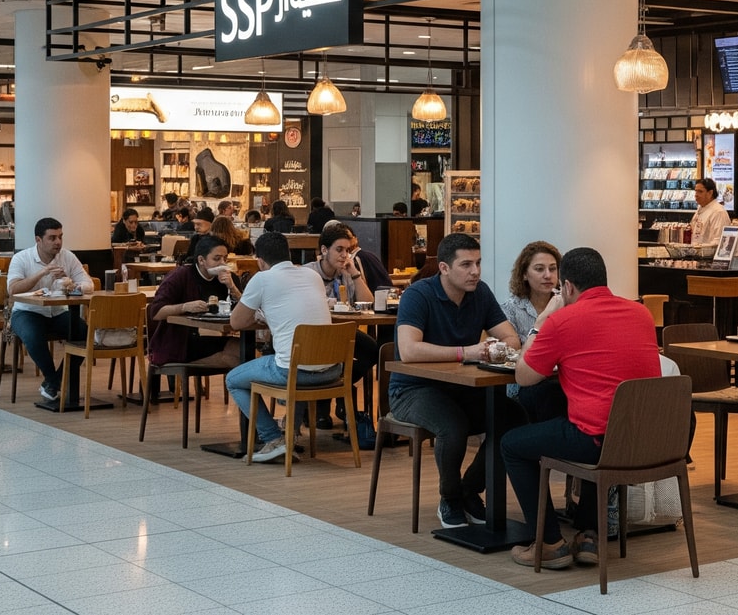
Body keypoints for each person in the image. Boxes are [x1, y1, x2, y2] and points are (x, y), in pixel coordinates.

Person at [503, 246, 662, 569]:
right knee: (585, 416)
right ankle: (589, 535)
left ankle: (549, 543)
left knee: (513, 445)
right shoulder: (641, 313)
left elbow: (524, 376)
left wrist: (544, 319)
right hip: (646, 440)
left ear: (569, 287)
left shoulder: (564, 319)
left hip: (598, 441)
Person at [390, 233, 524, 529]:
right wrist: (467, 352)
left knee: (514, 418)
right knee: (454, 427)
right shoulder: (418, 295)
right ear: (444, 268)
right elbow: (409, 350)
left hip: (461, 387)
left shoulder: (481, 293)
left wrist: (495, 348)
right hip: (412, 389)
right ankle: (449, 498)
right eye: (466, 264)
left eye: (477, 263)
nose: (475, 271)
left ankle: (469, 489)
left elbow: (511, 337)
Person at [224, 232, 337, 464]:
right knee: (301, 361)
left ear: (260, 261)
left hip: (294, 371)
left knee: (233, 379)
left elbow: (236, 322)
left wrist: (265, 317)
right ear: (288, 253)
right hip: (332, 370)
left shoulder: (262, 279)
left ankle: (273, 438)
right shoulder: (312, 275)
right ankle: (290, 436)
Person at [8, 217, 96, 403]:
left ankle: (55, 382)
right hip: (26, 311)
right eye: (52, 238)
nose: (58, 242)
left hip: (57, 311)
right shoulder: (21, 258)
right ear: (38, 240)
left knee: (85, 334)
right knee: (33, 335)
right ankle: (53, 379)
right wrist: (43, 272)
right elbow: (13, 289)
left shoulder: (67, 257)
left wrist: (74, 285)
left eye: (60, 237)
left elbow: (89, 284)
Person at [303, 222, 379, 432]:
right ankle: (324, 400)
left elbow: (367, 302)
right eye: (339, 250)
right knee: (331, 355)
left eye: (348, 250)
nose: (345, 255)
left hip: (343, 331)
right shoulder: (308, 274)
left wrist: (354, 272)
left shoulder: (346, 273)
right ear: (324, 250)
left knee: (373, 350)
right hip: (315, 335)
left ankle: (336, 389)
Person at [144, 234, 243, 369]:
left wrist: (232, 288)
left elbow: (244, 310)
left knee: (245, 350)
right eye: (217, 259)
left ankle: (241, 386)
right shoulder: (181, 275)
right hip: (180, 341)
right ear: (201, 260)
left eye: (225, 258)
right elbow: (156, 312)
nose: (222, 263)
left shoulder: (227, 278)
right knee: (237, 358)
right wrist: (184, 307)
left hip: (210, 336)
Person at [501, 240, 567, 422]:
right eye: (539, 269)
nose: (548, 275)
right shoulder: (510, 309)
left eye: (553, 269)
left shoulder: (567, 305)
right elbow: (509, 356)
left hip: (561, 379)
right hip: (522, 384)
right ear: (524, 274)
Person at [688, 177, 730, 245]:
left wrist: (700, 248)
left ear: (710, 193)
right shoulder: (701, 208)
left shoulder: (718, 212)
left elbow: (719, 241)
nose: (696, 195)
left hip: (708, 254)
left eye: (700, 191)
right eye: (696, 191)